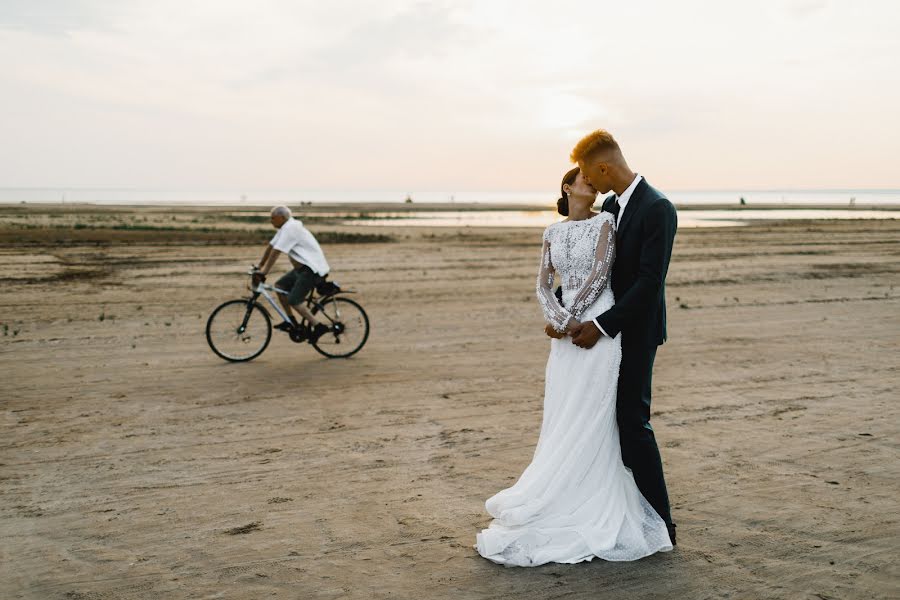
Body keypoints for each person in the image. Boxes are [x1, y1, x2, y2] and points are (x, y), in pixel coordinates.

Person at [475, 164, 673, 567]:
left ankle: (635, 511)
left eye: (591, 176)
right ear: (567, 187)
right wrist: (558, 317)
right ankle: (561, 493)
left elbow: (601, 274)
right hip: (569, 330)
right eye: (582, 178)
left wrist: (576, 319)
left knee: (601, 413)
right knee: (565, 412)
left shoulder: (607, 220)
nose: (591, 183)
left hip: (597, 324)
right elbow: (543, 282)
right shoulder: (552, 231)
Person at [569, 129, 678, 545]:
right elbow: (601, 270)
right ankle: (622, 515)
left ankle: (663, 525)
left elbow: (650, 283)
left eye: (586, 173)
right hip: (608, 331)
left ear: (602, 167)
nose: (588, 182)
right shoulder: (612, 205)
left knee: (634, 422)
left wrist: (601, 326)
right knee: (607, 423)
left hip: (636, 332)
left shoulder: (658, 208)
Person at [253, 206, 331, 342]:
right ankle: (291, 322)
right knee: (280, 286)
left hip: (311, 270)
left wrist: (264, 272)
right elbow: (271, 247)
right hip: (301, 270)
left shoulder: (291, 229)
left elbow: (276, 252)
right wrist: (260, 265)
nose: (270, 221)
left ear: (281, 218)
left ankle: (318, 326)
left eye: (272, 218)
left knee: (294, 300)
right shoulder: (285, 228)